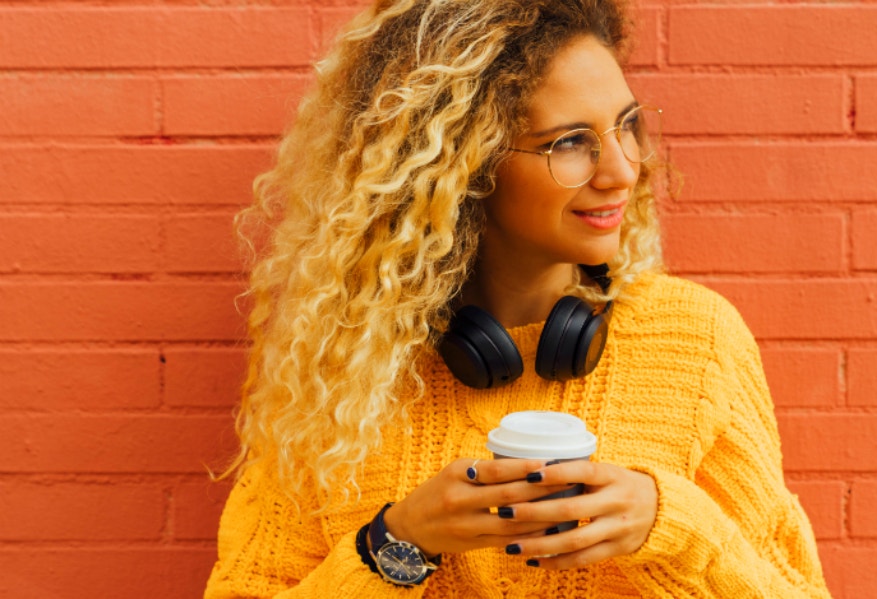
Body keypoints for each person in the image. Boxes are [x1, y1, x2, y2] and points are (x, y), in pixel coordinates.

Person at [204, 0, 833, 597]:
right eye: (570, 143)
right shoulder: (344, 369)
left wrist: (674, 526)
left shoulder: (698, 339)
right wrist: (399, 544)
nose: (622, 170)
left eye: (627, 127)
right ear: (464, 165)